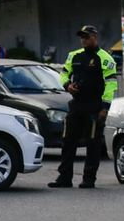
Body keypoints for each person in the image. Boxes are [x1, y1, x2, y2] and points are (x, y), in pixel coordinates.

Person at [49, 25, 118, 189]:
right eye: (82, 37)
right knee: (67, 142)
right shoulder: (74, 56)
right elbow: (64, 73)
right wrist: (67, 85)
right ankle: (64, 178)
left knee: (93, 144)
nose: (84, 40)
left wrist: (105, 107)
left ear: (95, 37)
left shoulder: (106, 58)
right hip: (76, 105)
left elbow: (111, 85)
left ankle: (88, 179)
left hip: (94, 106)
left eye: (87, 37)